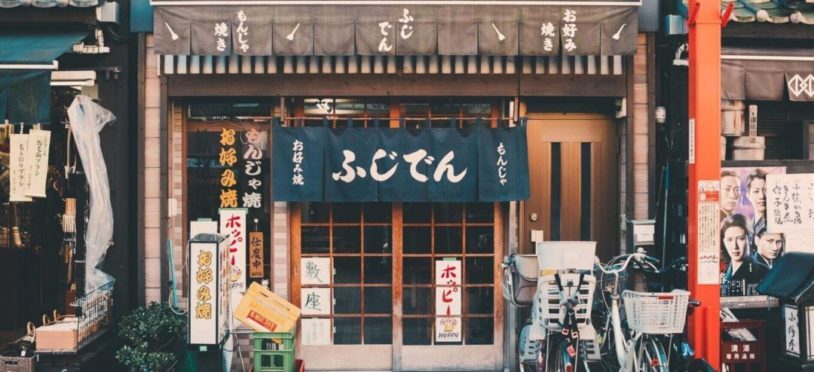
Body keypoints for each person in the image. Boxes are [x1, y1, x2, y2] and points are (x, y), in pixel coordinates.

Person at [720, 214, 767, 296]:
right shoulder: (724, 272)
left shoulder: (763, 271)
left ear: (750, 239)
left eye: (740, 239)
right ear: (724, 242)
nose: (735, 246)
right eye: (729, 240)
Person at [745, 169, 767, 246]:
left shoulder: (775, 225)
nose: (762, 196)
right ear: (748, 195)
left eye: (766, 191)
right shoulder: (747, 227)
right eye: (756, 191)